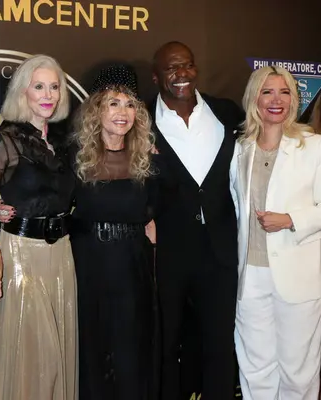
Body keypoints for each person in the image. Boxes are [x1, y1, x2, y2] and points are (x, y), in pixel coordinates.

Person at [0, 54, 77, 400]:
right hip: (20, 257)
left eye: (54, 86)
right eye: (39, 86)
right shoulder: (3, 141)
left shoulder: (64, 144)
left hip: (62, 257)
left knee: (58, 362)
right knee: (36, 358)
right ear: (23, 93)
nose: (48, 94)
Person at [150, 41, 244, 400]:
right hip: (168, 251)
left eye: (187, 65)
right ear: (157, 76)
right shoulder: (142, 119)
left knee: (220, 342)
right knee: (166, 342)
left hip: (220, 250)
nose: (181, 74)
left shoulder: (226, 112)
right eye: (172, 68)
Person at [230, 66, 321, 400]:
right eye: (267, 91)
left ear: (294, 100)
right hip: (250, 276)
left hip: (297, 277)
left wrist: (290, 219)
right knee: (255, 368)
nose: (276, 100)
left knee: (299, 372)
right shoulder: (242, 149)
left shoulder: (313, 146)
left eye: (285, 92)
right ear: (254, 98)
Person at [71, 67, 158, 399]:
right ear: (97, 109)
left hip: (132, 263)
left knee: (131, 351)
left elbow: (160, 209)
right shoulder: (75, 158)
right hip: (88, 262)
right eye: (113, 104)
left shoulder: (148, 161)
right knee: (91, 349)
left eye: (129, 104)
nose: (123, 113)